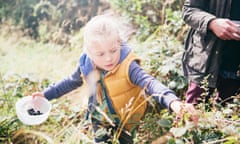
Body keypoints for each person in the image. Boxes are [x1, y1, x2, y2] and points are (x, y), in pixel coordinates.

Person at [32, 14, 197, 143]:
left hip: (129, 122)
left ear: (119, 43)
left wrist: (173, 102)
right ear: (89, 52)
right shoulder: (86, 64)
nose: (109, 59)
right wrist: (46, 95)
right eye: (100, 54)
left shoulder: (128, 65)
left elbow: (151, 84)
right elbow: (70, 82)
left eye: (113, 50)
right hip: (100, 120)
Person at [182, 0, 240, 105]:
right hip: (207, 59)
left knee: (229, 117)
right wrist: (212, 23)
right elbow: (189, 10)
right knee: (191, 114)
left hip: (235, 65)